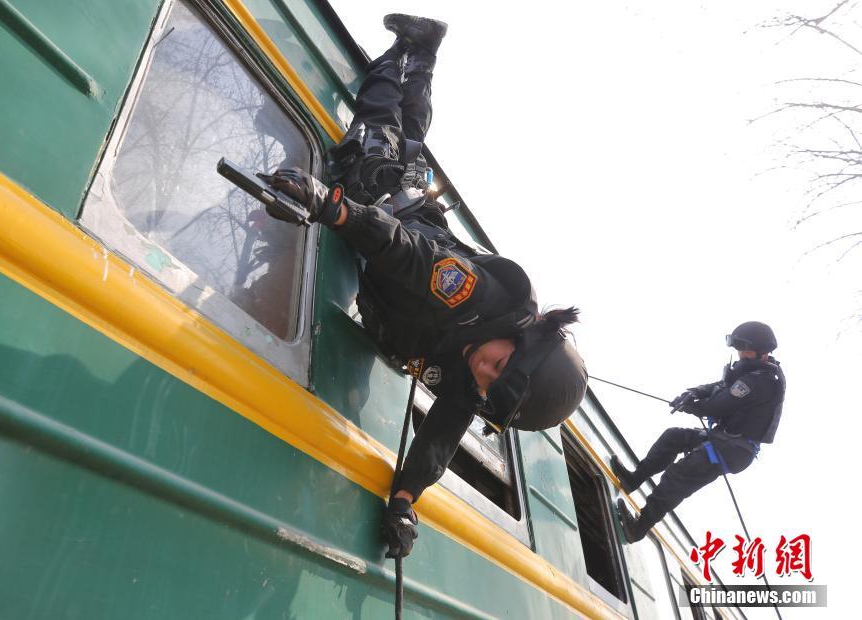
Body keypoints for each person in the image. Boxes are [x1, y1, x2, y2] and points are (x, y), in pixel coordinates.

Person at [252, 14, 588, 558]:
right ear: (521, 340)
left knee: (411, 133)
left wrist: (405, 502)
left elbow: (440, 439)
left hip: (407, 209)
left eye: (489, 385)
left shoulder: (476, 382)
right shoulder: (477, 295)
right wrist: (333, 206)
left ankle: (426, 49)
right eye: (499, 365)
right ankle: (403, 52)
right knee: (378, 115)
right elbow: (406, 254)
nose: (482, 372)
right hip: (385, 201)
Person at [612, 321, 786, 543]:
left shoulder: (762, 382)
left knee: (678, 476)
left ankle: (638, 529)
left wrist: (692, 406)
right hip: (723, 438)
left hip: (733, 449)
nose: (741, 353)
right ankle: (632, 480)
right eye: (738, 348)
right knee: (673, 437)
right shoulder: (752, 370)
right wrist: (693, 393)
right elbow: (720, 386)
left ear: (763, 351)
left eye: (746, 349)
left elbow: (718, 405)